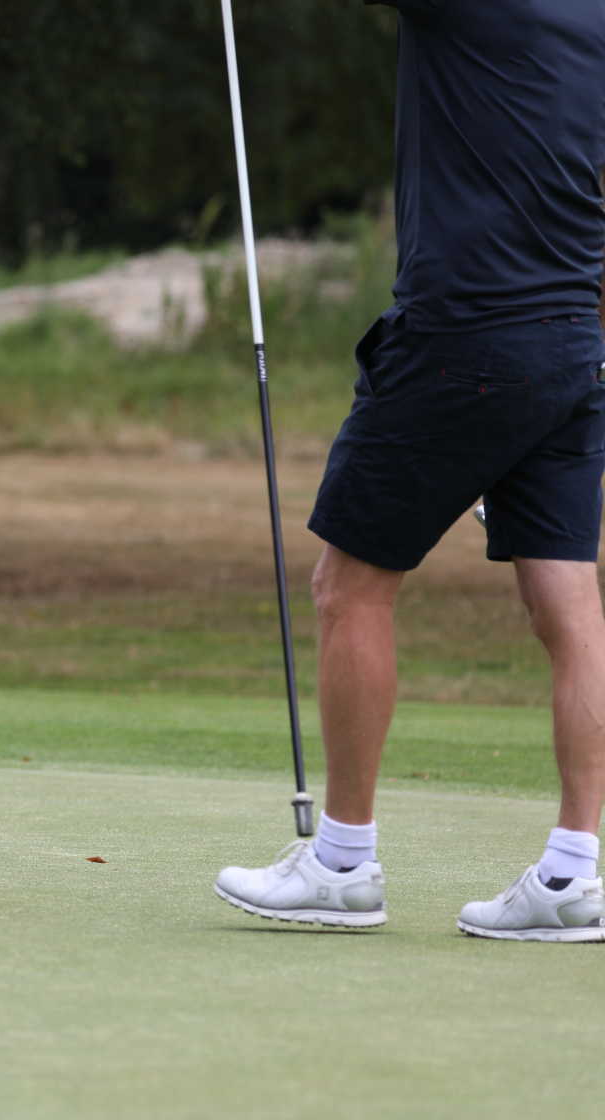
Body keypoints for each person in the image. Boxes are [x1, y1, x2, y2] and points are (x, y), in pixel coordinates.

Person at [215, 1, 605, 940]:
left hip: (462, 332)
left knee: (351, 587)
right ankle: (576, 873)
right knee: (570, 603)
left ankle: (342, 862)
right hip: (573, 337)